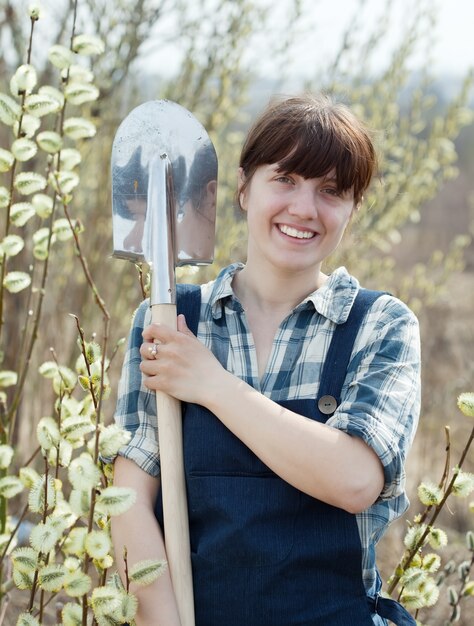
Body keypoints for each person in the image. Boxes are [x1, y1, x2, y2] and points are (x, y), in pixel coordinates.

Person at [111, 94, 421, 626]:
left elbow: (353, 480)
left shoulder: (379, 326)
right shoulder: (170, 319)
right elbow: (130, 499)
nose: (305, 209)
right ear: (241, 187)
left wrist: (212, 384)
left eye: (331, 191)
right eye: (286, 179)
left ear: (354, 208)